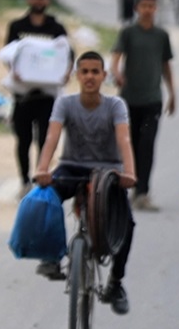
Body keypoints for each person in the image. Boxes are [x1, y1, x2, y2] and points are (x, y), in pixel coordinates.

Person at [34, 51, 137, 315]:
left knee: (126, 223)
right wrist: (42, 169)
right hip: (72, 166)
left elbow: (124, 140)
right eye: (85, 71)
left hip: (108, 172)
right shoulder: (65, 104)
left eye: (95, 71)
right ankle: (51, 256)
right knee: (46, 198)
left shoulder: (116, 105)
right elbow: (52, 137)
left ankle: (115, 282)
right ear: (76, 75)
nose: (90, 76)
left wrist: (130, 173)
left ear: (104, 75)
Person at [4, 0, 74, 194]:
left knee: (45, 140)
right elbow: (8, 55)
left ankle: (40, 178)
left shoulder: (56, 28)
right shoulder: (17, 26)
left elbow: (68, 56)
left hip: (47, 96)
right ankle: (24, 181)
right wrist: (14, 71)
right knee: (23, 140)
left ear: (47, 1)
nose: (38, 1)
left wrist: (65, 73)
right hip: (23, 95)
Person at [110, 0, 176, 212]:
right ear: (137, 8)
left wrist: (172, 93)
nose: (148, 9)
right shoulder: (128, 32)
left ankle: (142, 193)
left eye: (151, 5)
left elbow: (166, 65)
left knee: (146, 146)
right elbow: (117, 54)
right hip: (129, 99)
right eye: (144, 5)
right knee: (126, 145)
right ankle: (121, 188)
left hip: (152, 100)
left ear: (155, 8)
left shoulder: (161, 35)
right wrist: (116, 72)